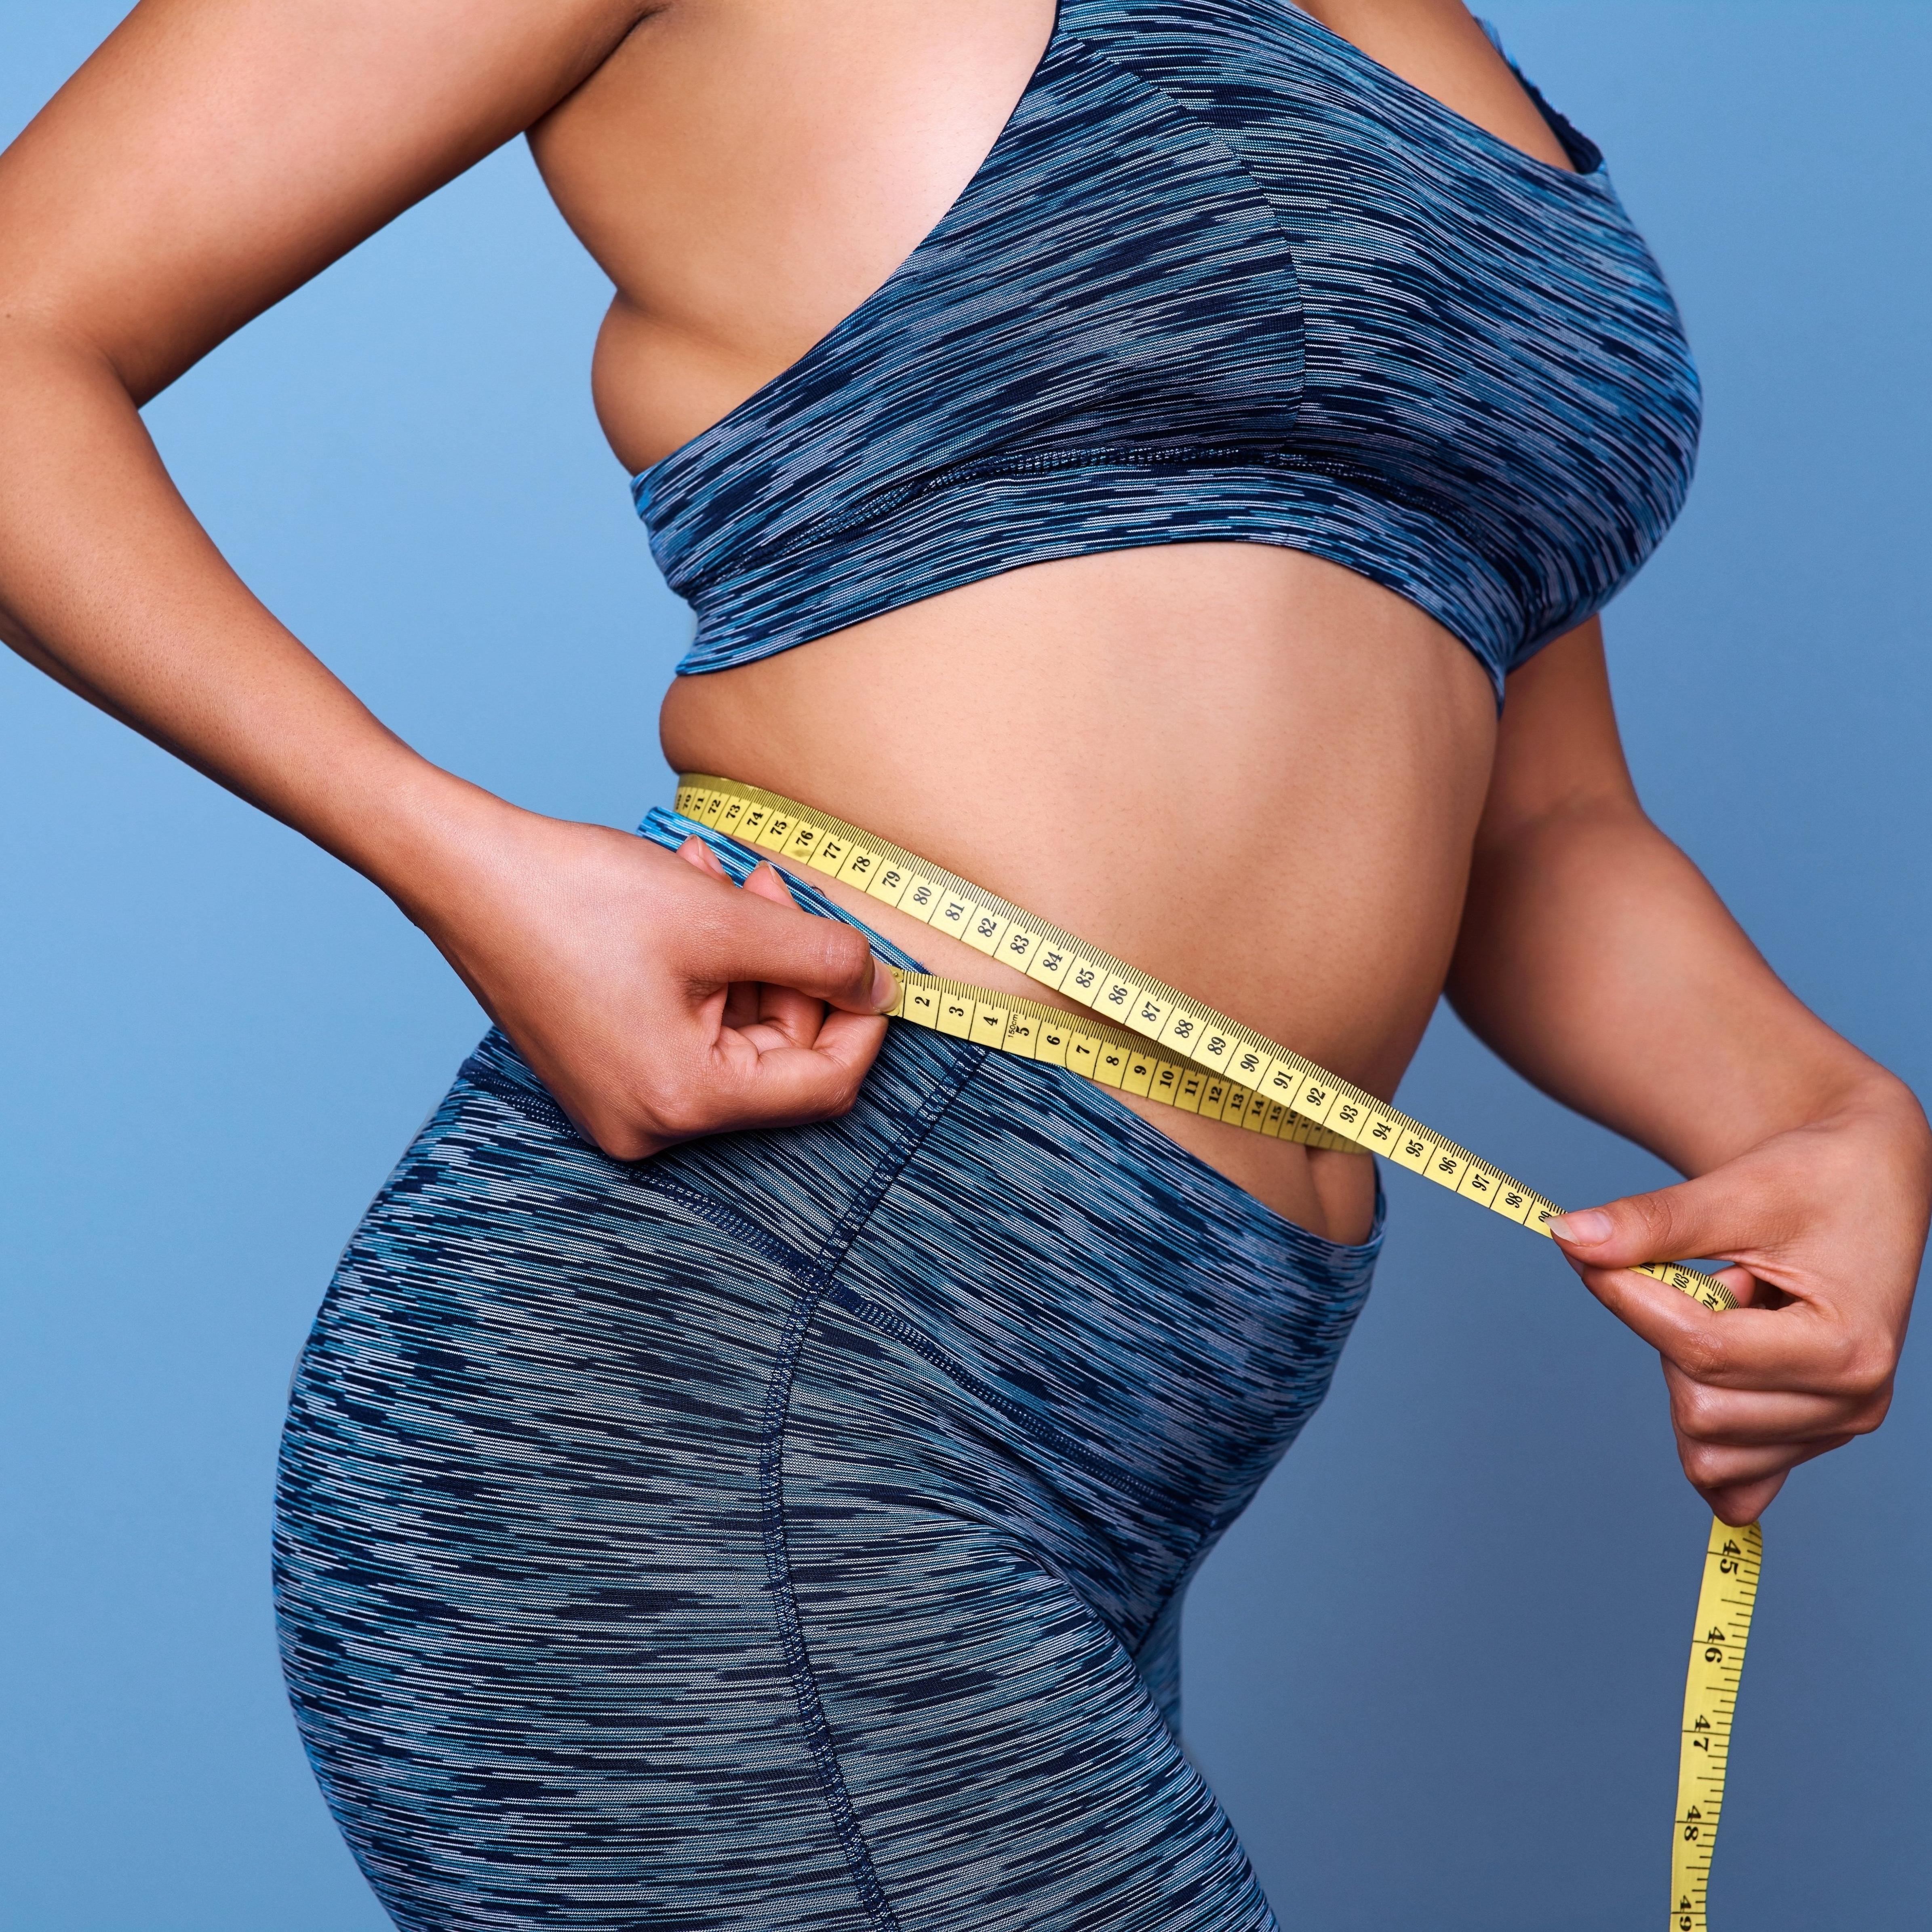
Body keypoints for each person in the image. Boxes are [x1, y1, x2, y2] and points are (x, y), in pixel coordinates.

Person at [1, 1, 1925, 1925]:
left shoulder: (1467, 63)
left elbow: (1536, 823)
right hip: (741, 1353)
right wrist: (462, 862)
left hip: (1135, 1420)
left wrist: (1827, 1117)